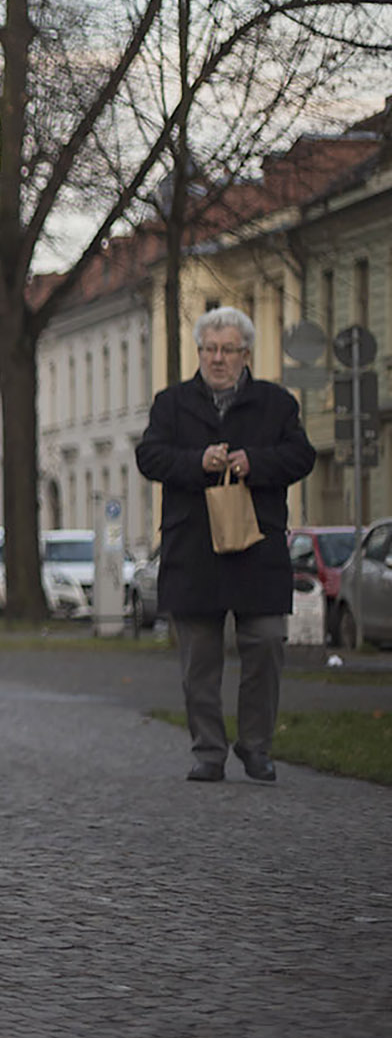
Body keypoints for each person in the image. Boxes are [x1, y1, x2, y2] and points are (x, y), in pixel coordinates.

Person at [134, 306, 314, 783]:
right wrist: (199, 461)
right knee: (200, 661)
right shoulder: (170, 404)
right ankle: (208, 751)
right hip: (193, 550)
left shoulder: (277, 404)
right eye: (210, 350)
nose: (218, 359)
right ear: (199, 353)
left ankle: (256, 747)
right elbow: (150, 456)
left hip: (258, 549)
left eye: (228, 350)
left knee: (266, 643)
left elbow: (302, 456)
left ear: (245, 354)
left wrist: (254, 461)